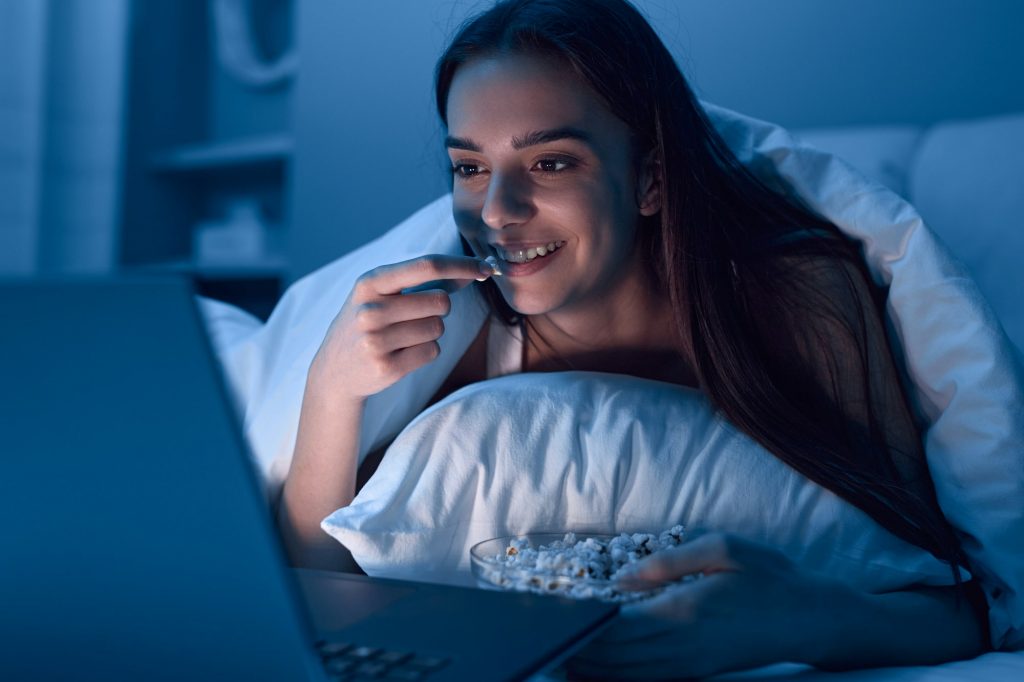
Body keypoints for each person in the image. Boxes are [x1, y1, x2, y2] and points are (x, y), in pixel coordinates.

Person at [275, 0, 989, 676]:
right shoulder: (453, 345)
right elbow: (321, 598)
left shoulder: (799, 301)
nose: (497, 211)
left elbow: (963, 605)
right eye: (469, 167)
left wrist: (799, 620)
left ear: (649, 178)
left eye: (550, 162)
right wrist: (329, 390)